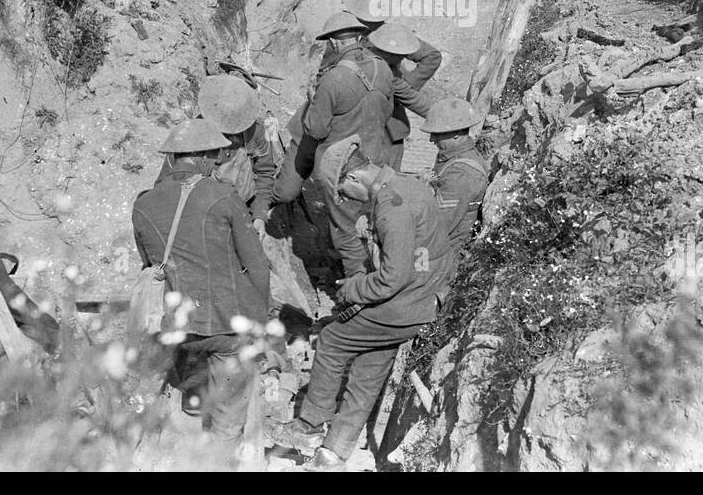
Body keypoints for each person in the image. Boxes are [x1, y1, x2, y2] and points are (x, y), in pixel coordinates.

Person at [268, 135, 454, 471]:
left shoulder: (390, 208)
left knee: (332, 341)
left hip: (404, 301)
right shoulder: (409, 186)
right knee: (369, 371)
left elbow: (391, 278)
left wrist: (353, 289)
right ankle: (334, 452)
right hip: (423, 298)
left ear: (354, 177)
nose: (344, 198)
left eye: (342, 190)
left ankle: (310, 426)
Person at [131, 118, 270, 465]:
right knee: (228, 410)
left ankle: (161, 451)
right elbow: (256, 265)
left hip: (173, 325)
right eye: (217, 155)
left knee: (184, 381)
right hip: (224, 326)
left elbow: (148, 263)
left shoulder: (143, 204)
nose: (219, 161)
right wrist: (261, 318)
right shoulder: (224, 197)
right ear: (205, 156)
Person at [274, 11, 394, 277]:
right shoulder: (382, 68)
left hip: (344, 167)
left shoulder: (333, 78)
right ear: (359, 36)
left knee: (347, 233)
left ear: (335, 43)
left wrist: (314, 100)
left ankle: (356, 290)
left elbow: (316, 130)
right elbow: (387, 112)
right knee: (374, 223)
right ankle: (380, 275)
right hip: (376, 162)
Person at [159, 74, 278, 232]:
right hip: (200, 219)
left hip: (242, 210)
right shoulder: (188, 139)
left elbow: (264, 173)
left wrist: (259, 215)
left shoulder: (254, 133)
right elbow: (164, 189)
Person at [343, 0, 442, 169]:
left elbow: (431, 57)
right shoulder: (342, 37)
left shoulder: (390, 35)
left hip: (390, 126)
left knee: (388, 178)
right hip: (354, 126)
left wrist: (403, 87)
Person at [420, 98, 489, 252]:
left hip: (444, 253)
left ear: (457, 133)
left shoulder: (461, 175)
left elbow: (435, 226)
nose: (432, 139)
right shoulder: (452, 155)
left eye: (437, 134)